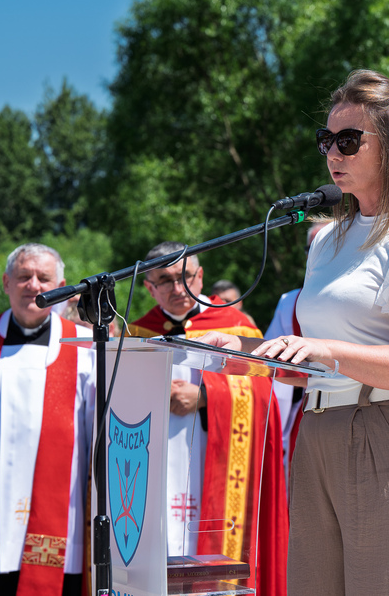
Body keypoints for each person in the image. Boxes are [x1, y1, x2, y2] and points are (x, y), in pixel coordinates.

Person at [198, 69, 389, 595]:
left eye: (349, 140)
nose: (333, 153)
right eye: (326, 140)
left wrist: (325, 350)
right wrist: (241, 350)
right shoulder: (326, 240)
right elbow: (312, 368)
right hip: (318, 435)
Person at [126, 242, 286, 595]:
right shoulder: (136, 333)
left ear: (200, 276)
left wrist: (205, 397)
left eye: (185, 276)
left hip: (217, 460)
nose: (177, 287)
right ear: (149, 287)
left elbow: (264, 394)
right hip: (157, 464)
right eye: (164, 280)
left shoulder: (237, 327)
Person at [0, 243, 95, 596]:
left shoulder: (86, 345)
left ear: (61, 286)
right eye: (23, 276)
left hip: (63, 513)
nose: (34, 286)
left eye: (44, 278)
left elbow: (98, 435)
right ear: (6, 283)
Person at [264, 220, 328, 483]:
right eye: (312, 249)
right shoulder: (289, 302)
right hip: (302, 409)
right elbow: (270, 364)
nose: (317, 255)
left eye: (327, 246)